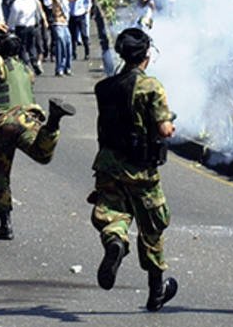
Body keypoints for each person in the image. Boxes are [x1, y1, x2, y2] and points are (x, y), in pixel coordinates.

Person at [88, 27, 178, 312]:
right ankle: (156, 292)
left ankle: (115, 241)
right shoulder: (151, 86)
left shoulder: (104, 87)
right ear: (146, 56)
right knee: (152, 227)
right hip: (140, 168)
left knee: (113, 213)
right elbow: (164, 129)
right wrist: (168, 125)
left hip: (108, 164)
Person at [0, 20, 75, 240]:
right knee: (42, 154)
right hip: (28, 119)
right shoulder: (27, 71)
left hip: (3, 124)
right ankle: (52, 122)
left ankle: (5, 224)